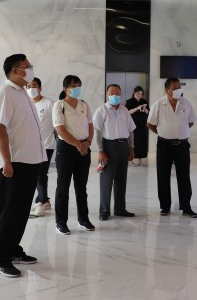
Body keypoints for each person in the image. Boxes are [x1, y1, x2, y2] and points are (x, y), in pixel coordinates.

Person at [0, 54, 46, 277]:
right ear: (15, 70)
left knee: (22, 211)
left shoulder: (22, 92)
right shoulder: (4, 92)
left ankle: (13, 249)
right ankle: (1, 259)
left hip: (30, 160)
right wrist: (6, 161)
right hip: (15, 162)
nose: (30, 69)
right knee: (10, 212)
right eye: (26, 66)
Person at [146, 77, 197, 218]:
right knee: (163, 176)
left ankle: (186, 207)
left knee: (184, 176)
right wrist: (163, 133)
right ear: (166, 90)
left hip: (182, 145)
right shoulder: (158, 104)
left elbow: (191, 122)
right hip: (164, 145)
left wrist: (180, 132)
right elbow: (150, 124)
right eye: (175, 88)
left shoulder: (186, 103)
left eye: (179, 87)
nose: (178, 90)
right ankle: (165, 207)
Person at [53, 75, 96, 235]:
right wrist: (79, 145)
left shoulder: (84, 104)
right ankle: (61, 223)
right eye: (73, 85)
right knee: (63, 186)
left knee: (81, 186)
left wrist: (88, 143)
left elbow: (90, 126)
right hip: (67, 148)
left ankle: (83, 219)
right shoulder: (59, 105)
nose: (77, 87)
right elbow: (60, 129)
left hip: (84, 147)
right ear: (66, 89)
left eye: (78, 84)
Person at [93, 84, 136, 220]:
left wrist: (131, 147)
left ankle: (120, 209)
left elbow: (130, 130)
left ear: (121, 95)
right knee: (106, 180)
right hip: (108, 147)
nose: (115, 96)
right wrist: (100, 151)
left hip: (124, 146)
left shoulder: (124, 110)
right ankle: (104, 211)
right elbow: (97, 132)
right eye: (112, 93)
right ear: (107, 95)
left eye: (117, 93)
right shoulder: (101, 110)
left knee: (121, 179)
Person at [27, 77, 55, 217]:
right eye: (28, 86)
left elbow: (58, 123)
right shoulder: (26, 103)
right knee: (35, 174)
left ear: (40, 88)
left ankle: (41, 202)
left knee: (40, 174)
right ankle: (44, 200)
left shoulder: (49, 103)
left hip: (46, 145)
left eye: (34, 85)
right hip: (31, 146)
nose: (31, 88)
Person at [125, 86, 150, 166]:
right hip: (132, 124)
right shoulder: (129, 101)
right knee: (132, 141)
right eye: (138, 94)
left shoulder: (144, 101)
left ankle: (140, 160)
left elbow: (148, 112)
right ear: (134, 93)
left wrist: (145, 109)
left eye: (141, 94)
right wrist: (137, 108)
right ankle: (130, 160)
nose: (139, 95)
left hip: (142, 124)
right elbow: (128, 112)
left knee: (142, 142)